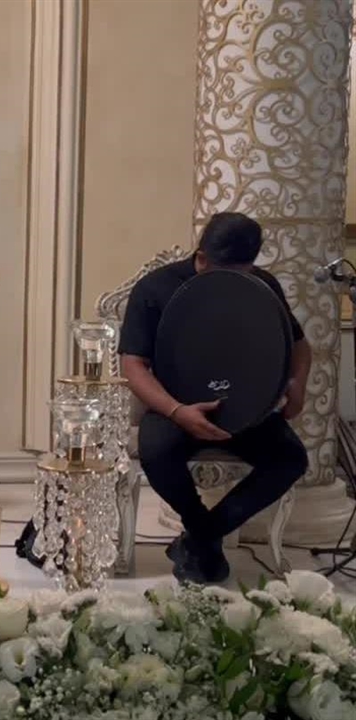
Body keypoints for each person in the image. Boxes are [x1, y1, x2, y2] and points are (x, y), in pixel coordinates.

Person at [119, 211, 310, 584]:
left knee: (290, 459)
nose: (232, 283)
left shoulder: (262, 285)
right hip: (175, 405)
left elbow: (299, 345)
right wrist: (177, 411)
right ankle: (204, 534)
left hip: (247, 409)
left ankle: (200, 538)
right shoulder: (155, 288)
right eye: (222, 273)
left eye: (241, 274)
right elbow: (133, 365)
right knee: (156, 451)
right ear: (202, 258)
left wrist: (296, 384)